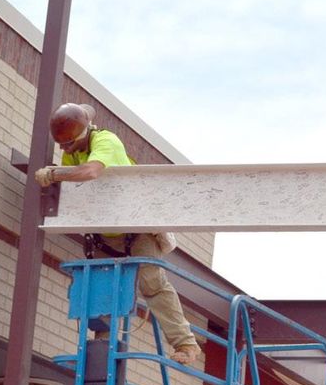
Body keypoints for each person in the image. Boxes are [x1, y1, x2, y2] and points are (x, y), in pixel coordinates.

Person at [34, 103, 201, 365]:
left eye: (68, 145)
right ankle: (102, 347)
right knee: (102, 285)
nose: (64, 150)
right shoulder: (74, 153)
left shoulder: (106, 141)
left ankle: (186, 344)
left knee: (152, 284)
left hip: (135, 228)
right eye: (62, 145)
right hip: (106, 233)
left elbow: (90, 172)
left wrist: (54, 174)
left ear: (81, 135)